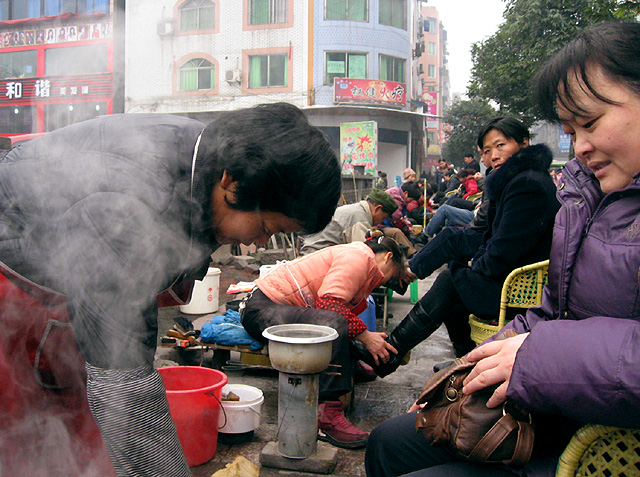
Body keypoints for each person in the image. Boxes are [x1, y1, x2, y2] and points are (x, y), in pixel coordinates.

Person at [0, 103, 342, 476]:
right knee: (30, 442)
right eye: (266, 227)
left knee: (86, 437)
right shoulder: (124, 210)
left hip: (71, 298)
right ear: (231, 182)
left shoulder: (210, 156)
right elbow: (125, 392)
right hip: (17, 303)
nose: (260, 242)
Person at [365, 21, 640, 476]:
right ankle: (398, 331)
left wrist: (537, 355)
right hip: (551, 393)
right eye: (571, 129)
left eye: (590, 122)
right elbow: (553, 308)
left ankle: (394, 336)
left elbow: (504, 256)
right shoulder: (585, 195)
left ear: (522, 144)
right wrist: (466, 374)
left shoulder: (531, 186)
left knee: (454, 274)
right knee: (388, 441)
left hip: (603, 437)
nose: (581, 146)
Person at [354, 116, 559, 370]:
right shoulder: (514, 181)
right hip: (506, 275)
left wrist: (476, 264)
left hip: (518, 289)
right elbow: (490, 237)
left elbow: (504, 249)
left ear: (523, 144)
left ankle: (395, 350)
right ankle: (454, 356)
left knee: (452, 281)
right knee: (453, 252)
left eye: (500, 146)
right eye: (487, 150)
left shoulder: (528, 186)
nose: (493, 155)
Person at [241, 237, 406, 449]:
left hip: (274, 308)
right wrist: (366, 337)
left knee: (338, 319)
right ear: (388, 257)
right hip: (262, 308)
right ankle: (326, 413)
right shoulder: (359, 257)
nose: (388, 281)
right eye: (395, 273)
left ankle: (347, 366)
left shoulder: (361, 258)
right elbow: (329, 305)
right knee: (333, 320)